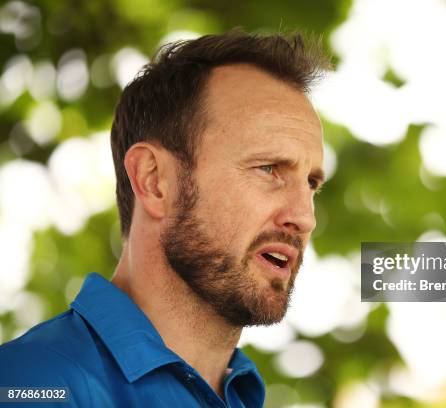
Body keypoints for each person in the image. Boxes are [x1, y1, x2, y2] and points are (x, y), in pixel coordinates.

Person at [0, 28, 328, 407]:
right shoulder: (30, 385)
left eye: (311, 183)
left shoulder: (243, 394)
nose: (304, 218)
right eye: (269, 169)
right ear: (154, 181)